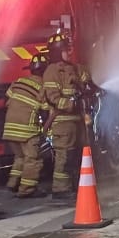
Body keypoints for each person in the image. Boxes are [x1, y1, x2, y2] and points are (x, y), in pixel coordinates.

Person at [38, 29, 95, 198]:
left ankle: (78, 183)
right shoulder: (52, 72)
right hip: (62, 121)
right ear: (57, 52)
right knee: (64, 154)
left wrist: (86, 81)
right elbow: (53, 97)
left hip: (77, 120)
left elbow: (85, 78)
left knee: (78, 153)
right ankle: (60, 188)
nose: (69, 52)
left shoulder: (73, 68)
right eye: (65, 49)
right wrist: (71, 103)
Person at [3, 52, 48, 198]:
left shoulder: (18, 81)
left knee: (19, 157)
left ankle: (12, 184)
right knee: (32, 159)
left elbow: (8, 99)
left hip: (9, 127)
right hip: (27, 129)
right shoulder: (43, 87)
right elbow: (46, 109)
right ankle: (27, 189)